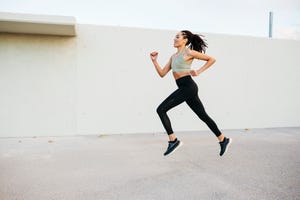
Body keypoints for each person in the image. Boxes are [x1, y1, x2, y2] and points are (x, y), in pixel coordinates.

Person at [150, 30, 231, 156]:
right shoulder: (173, 57)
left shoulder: (188, 52)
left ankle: (173, 141)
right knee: (203, 116)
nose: (174, 39)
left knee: (161, 109)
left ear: (185, 40)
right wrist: (154, 61)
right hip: (184, 87)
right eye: (175, 37)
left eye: (177, 37)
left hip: (188, 87)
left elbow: (211, 59)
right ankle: (223, 139)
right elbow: (162, 74)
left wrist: (198, 71)